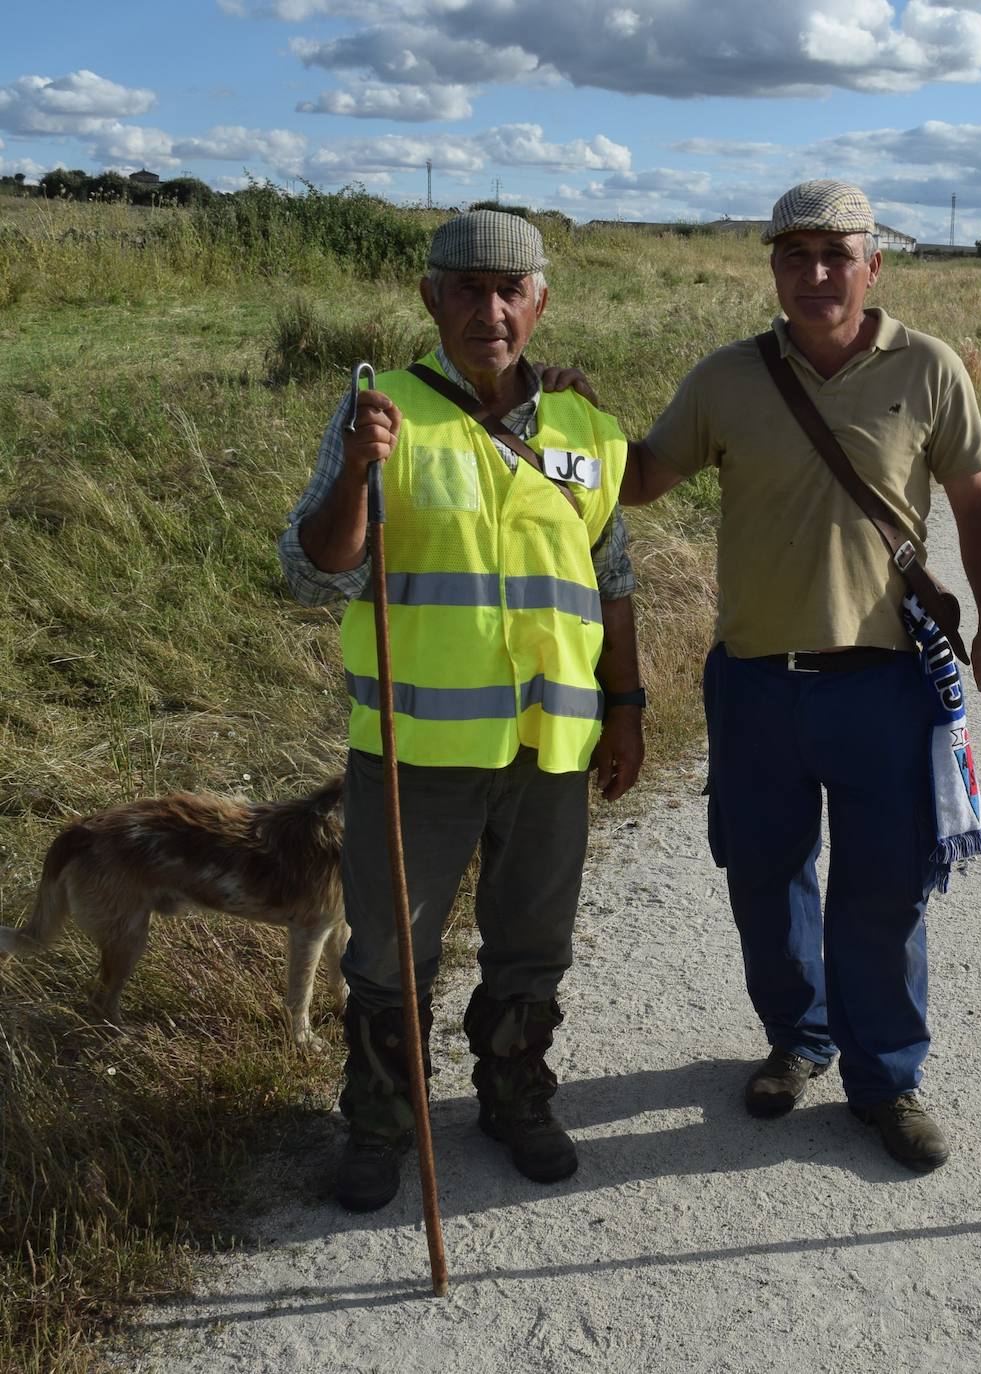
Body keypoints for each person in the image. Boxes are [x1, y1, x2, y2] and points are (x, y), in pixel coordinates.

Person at [618, 181, 981, 1172]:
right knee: (763, 876)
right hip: (755, 682)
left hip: (882, 682)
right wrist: (553, 424)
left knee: (883, 889)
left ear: (872, 264)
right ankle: (795, 1041)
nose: (814, 274)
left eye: (834, 254)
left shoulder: (927, 370)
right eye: (793, 255)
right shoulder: (725, 378)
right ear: (770, 267)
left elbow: (976, 501)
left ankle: (885, 1079)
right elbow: (636, 478)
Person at [278, 211, 646, 1211]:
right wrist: (358, 468)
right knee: (390, 947)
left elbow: (611, 579)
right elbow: (318, 573)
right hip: (415, 747)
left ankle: (514, 1096)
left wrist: (626, 708)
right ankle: (380, 1124)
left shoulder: (585, 427)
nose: (490, 309)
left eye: (509, 290)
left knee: (533, 941)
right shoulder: (379, 412)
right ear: (430, 297)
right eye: (467, 288)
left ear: (539, 302)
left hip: (550, 746)